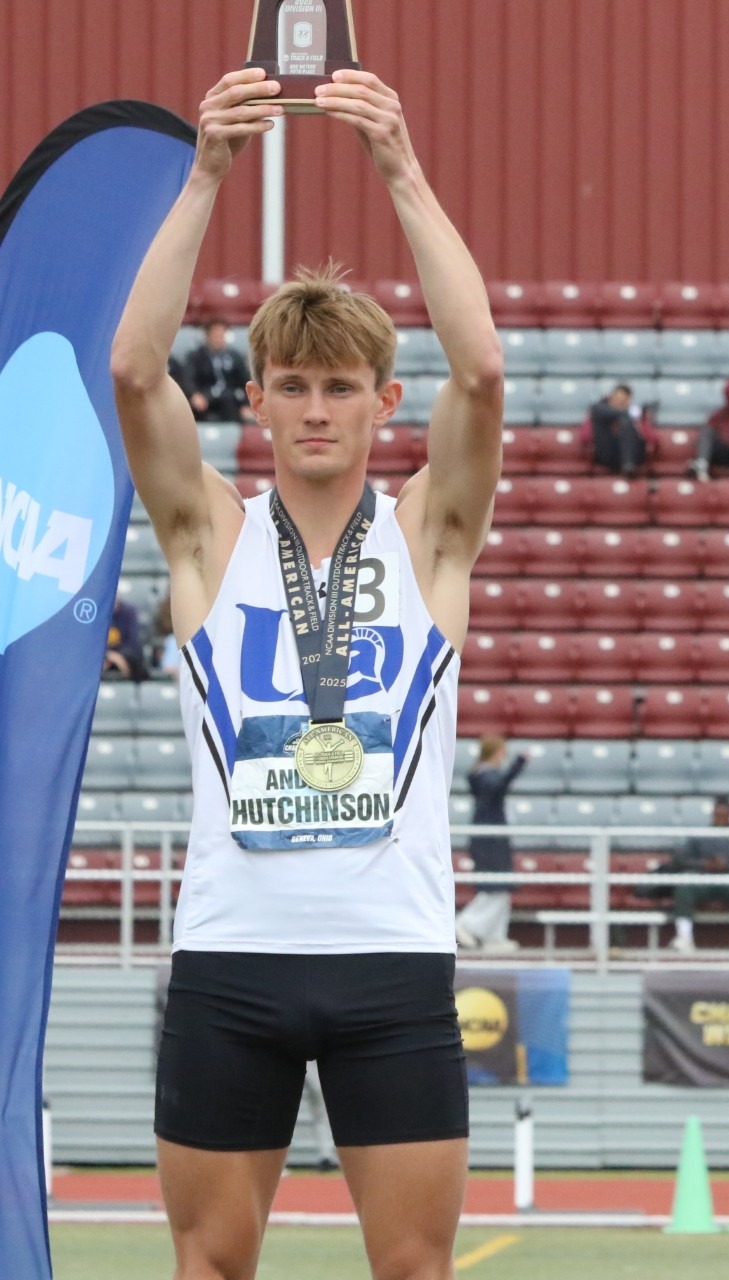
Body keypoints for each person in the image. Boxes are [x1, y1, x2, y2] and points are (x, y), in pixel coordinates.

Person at [112, 67, 500, 1277]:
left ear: (386, 402)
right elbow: (133, 373)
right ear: (259, 403)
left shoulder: (428, 534)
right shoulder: (208, 535)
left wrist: (398, 166)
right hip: (232, 954)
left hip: (393, 956)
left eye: (342, 387)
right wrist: (206, 174)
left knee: (414, 1269)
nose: (318, 408)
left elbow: (482, 372)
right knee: (211, 1264)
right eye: (294, 386)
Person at [456, 736, 528, 952]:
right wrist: (517, 766)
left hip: (496, 838)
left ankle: (495, 937)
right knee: (493, 887)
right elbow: (497, 786)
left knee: (502, 888)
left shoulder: (482, 774)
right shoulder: (483, 775)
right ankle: (464, 924)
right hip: (488, 840)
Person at [666, 797, 729, 954]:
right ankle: (684, 937)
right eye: (718, 814)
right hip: (704, 880)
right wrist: (704, 864)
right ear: (713, 814)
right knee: (684, 887)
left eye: (725, 814)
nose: (721, 818)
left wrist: (728, 865)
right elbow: (683, 861)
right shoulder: (700, 835)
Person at [182, 320, 254, 422]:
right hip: (206, 397)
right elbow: (189, 378)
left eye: (221, 334)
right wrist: (195, 394)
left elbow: (245, 381)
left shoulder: (235, 357)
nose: (219, 338)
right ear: (208, 336)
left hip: (230, 399)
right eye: (215, 334)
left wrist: (246, 405)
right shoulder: (196, 357)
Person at [587, 382, 643, 478]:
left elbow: (653, 438)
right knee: (623, 419)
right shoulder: (598, 409)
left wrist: (639, 425)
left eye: (623, 401)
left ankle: (628, 465)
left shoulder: (635, 415)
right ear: (611, 397)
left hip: (633, 454)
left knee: (626, 423)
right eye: (617, 399)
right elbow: (585, 437)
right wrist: (626, 412)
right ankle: (627, 465)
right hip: (607, 452)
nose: (619, 403)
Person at [101, 592, 148, 682]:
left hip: (125, 656)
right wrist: (108, 655)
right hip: (104, 656)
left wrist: (118, 657)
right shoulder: (99, 612)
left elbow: (132, 641)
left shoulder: (129, 613)